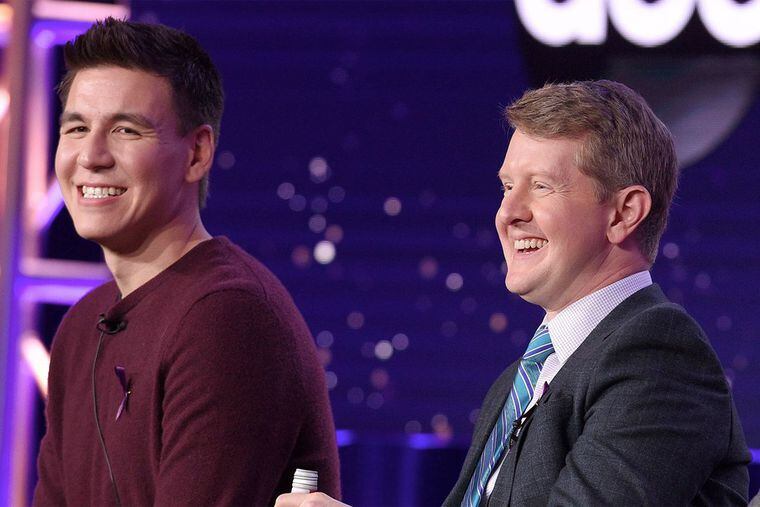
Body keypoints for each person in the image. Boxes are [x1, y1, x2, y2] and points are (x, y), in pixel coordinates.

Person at [276, 81, 750, 506]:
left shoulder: (658, 354)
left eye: (541, 186)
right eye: (506, 187)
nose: (508, 213)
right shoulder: (518, 381)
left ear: (624, 213)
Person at [34, 18, 340, 506]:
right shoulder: (80, 327)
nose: (91, 156)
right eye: (76, 128)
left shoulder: (226, 315)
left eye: (125, 130)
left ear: (197, 153)